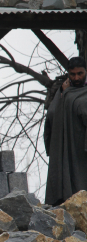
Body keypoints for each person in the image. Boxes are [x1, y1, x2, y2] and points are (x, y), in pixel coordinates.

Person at [44, 56, 87, 206]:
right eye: (73, 74)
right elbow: (51, 115)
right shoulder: (62, 91)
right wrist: (63, 94)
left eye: (80, 73)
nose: (76, 77)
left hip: (82, 148)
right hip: (64, 147)